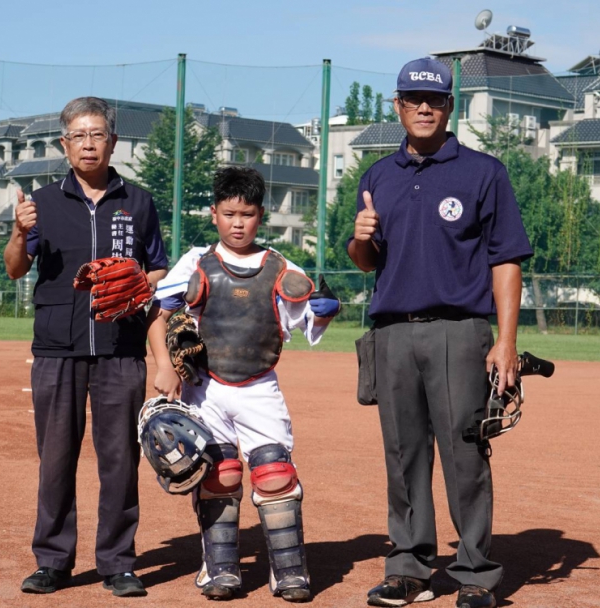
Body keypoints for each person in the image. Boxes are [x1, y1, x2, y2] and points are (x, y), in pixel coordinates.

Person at [347, 59, 533, 608]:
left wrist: (505, 341)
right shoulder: (378, 176)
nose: (424, 107)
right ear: (398, 106)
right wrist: (360, 239)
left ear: (449, 107)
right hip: (393, 333)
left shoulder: (482, 172)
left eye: (435, 100)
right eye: (412, 98)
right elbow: (365, 262)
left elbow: (507, 260)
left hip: (460, 331)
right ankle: (408, 566)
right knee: (403, 454)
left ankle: (476, 573)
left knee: (464, 452)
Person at [147, 167, 341, 602]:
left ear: (261, 216)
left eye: (248, 214)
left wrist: (324, 311)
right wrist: (163, 366)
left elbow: (303, 321)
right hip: (205, 388)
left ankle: (289, 570)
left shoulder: (281, 268)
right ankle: (220, 568)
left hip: (259, 387)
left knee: (274, 473)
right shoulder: (195, 263)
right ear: (213, 213)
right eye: (229, 213)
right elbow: (160, 319)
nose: (238, 222)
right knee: (220, 473)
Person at [3, 96, 168, 598]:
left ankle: (117, 561)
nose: (89, 143)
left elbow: (160, 267)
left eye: (98, 134)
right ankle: (53, 561)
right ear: (64, 144)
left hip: (121, 346)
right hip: (57, 348)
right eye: (79, 135)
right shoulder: (42, 203)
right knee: (55, 459)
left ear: (114, 142)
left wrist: (142, 278)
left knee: (120, 458)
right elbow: (15, 267)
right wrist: (17, 232)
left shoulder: (137, 201)